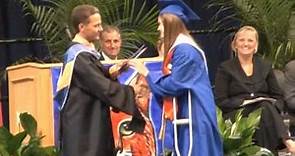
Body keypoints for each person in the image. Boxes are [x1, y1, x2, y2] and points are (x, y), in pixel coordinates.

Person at [128, 0, 223, 155]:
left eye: (160, 24)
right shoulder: (180, 49)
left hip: (196, 113)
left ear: (170, 24)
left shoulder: (185, 51)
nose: (158, 29)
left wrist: (146, 74)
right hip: (188, 111)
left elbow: (175, 84)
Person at [55, 5, 145, 156]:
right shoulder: (78, 56)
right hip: (84, 129)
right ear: (81, 27)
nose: (100, 29)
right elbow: (101, 87)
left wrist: (111, 73)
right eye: (96, 25)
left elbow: (93, 80)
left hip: (87, 122)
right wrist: (131, 91)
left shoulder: (82, 53)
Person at [214, 25, 295, 154]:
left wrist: (274, 106)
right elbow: (221, 101)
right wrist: (242, 103)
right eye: (241, 40)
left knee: (264, 110)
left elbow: (278, 97)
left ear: (256, 46)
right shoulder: (225, 68)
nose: (246, 44)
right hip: (238, 114)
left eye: (250, 40)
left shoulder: (265, 65)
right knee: (263, 109)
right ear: (235, 44)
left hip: (265, 114)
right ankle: (287, 141)